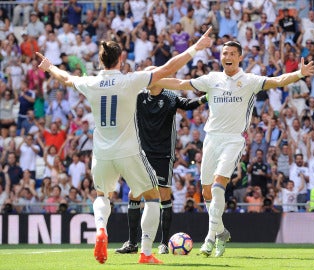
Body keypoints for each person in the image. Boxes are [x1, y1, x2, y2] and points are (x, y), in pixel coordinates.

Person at [35, 27, 212, 265]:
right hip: (129, 151)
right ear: (121, 59)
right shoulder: (131, 80)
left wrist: (49, 67)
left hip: (101, 153)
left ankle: (100, 229)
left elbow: (66, 78)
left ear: (100, 60)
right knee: (151, 197)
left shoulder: (91, 82)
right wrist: (195, 47)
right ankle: (147, 253)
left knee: (102, 195)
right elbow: (168, 69)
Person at [155, 40, 314, 257]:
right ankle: (221, 232)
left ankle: (210, 238)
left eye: (231, 53)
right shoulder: (212, 79)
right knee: (206, 191)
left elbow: (277, 81)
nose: (227, 56)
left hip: (233, 139)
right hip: (211, 138)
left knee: (220, 183)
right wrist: (153, 80)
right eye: (224, 53)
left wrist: (299, 73)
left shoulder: (249, 80)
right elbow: (182, 84)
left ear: (240, 57)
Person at [115, 67, 207, 255]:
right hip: (141, 154)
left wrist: (207, 97)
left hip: (163, 154)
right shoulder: (138, 97)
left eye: (149, 76)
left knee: (164, 196)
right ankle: (132, 243)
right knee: (134, 194)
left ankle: (164, 243)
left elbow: (189, 104)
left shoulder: (170, 97)